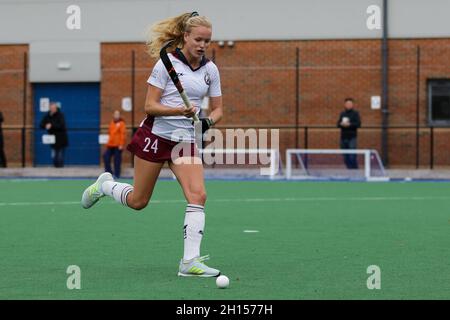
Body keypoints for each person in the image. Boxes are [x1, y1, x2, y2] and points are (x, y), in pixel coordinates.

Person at [81, 12, 223, 277]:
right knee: (138, 201)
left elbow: (218, 110)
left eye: (208, 40)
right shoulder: (165, 64)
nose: (203, 45)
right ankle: (105, 185)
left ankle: (189, 262)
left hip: (185, 142)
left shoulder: (210, 70)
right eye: (198, 39)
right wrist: (177, 111)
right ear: (185, 37)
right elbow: (150, 106)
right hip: (156, 136)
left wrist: (207, 123)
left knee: (198, 195)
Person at [40, 102, 68, 167]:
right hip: (52, 138)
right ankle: (55, 166)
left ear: (56, 108)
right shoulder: (47, 116)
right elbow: (41, 125)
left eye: (54, 108)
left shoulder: (60, 115)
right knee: (54, 153)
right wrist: (45, 125)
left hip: (61, 138)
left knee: (60, 153)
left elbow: (61, 125)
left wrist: (51, 125)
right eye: (51, 108)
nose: (52, 109)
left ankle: (60, 167)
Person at [337, 98, 361, 169]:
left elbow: (358, 124)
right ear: (345, 105)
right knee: (345, 154)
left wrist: (349, 125)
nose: (348, 105)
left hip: (352, 137)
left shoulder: (355, 114)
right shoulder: (342, 114)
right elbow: (338, 124)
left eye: (350, 104)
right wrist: (341, 124)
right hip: (343, 137)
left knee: (352, 154)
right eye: (347, 104)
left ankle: (354, 168)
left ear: (352, 105)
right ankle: (348, 167)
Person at [103, 110, 126, 178]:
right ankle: (109, 173)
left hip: (118, 146)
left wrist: (121, 144)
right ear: (113, 115)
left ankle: (117, 174)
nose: (116, 115)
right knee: (105, 157)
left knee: (117, 160)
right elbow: (110, 133)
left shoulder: (122, 124)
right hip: (110, 145)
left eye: (118, 114)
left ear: (119, 116)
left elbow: (123, 134)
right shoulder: (111, 123)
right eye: (115, 114)